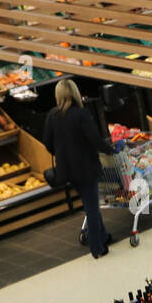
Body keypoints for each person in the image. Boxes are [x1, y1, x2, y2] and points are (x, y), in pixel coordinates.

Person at [42, 78, 114, 259]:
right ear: (74, 93)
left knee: (89, 202)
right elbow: (95, 139)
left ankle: (103, 235)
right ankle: (97, 247)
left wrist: (61, 152)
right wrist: (110, 150)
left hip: (67, 171)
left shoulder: (52, 115)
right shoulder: (81, 114)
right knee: (92, 207)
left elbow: (47, 142)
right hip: (86, 167)